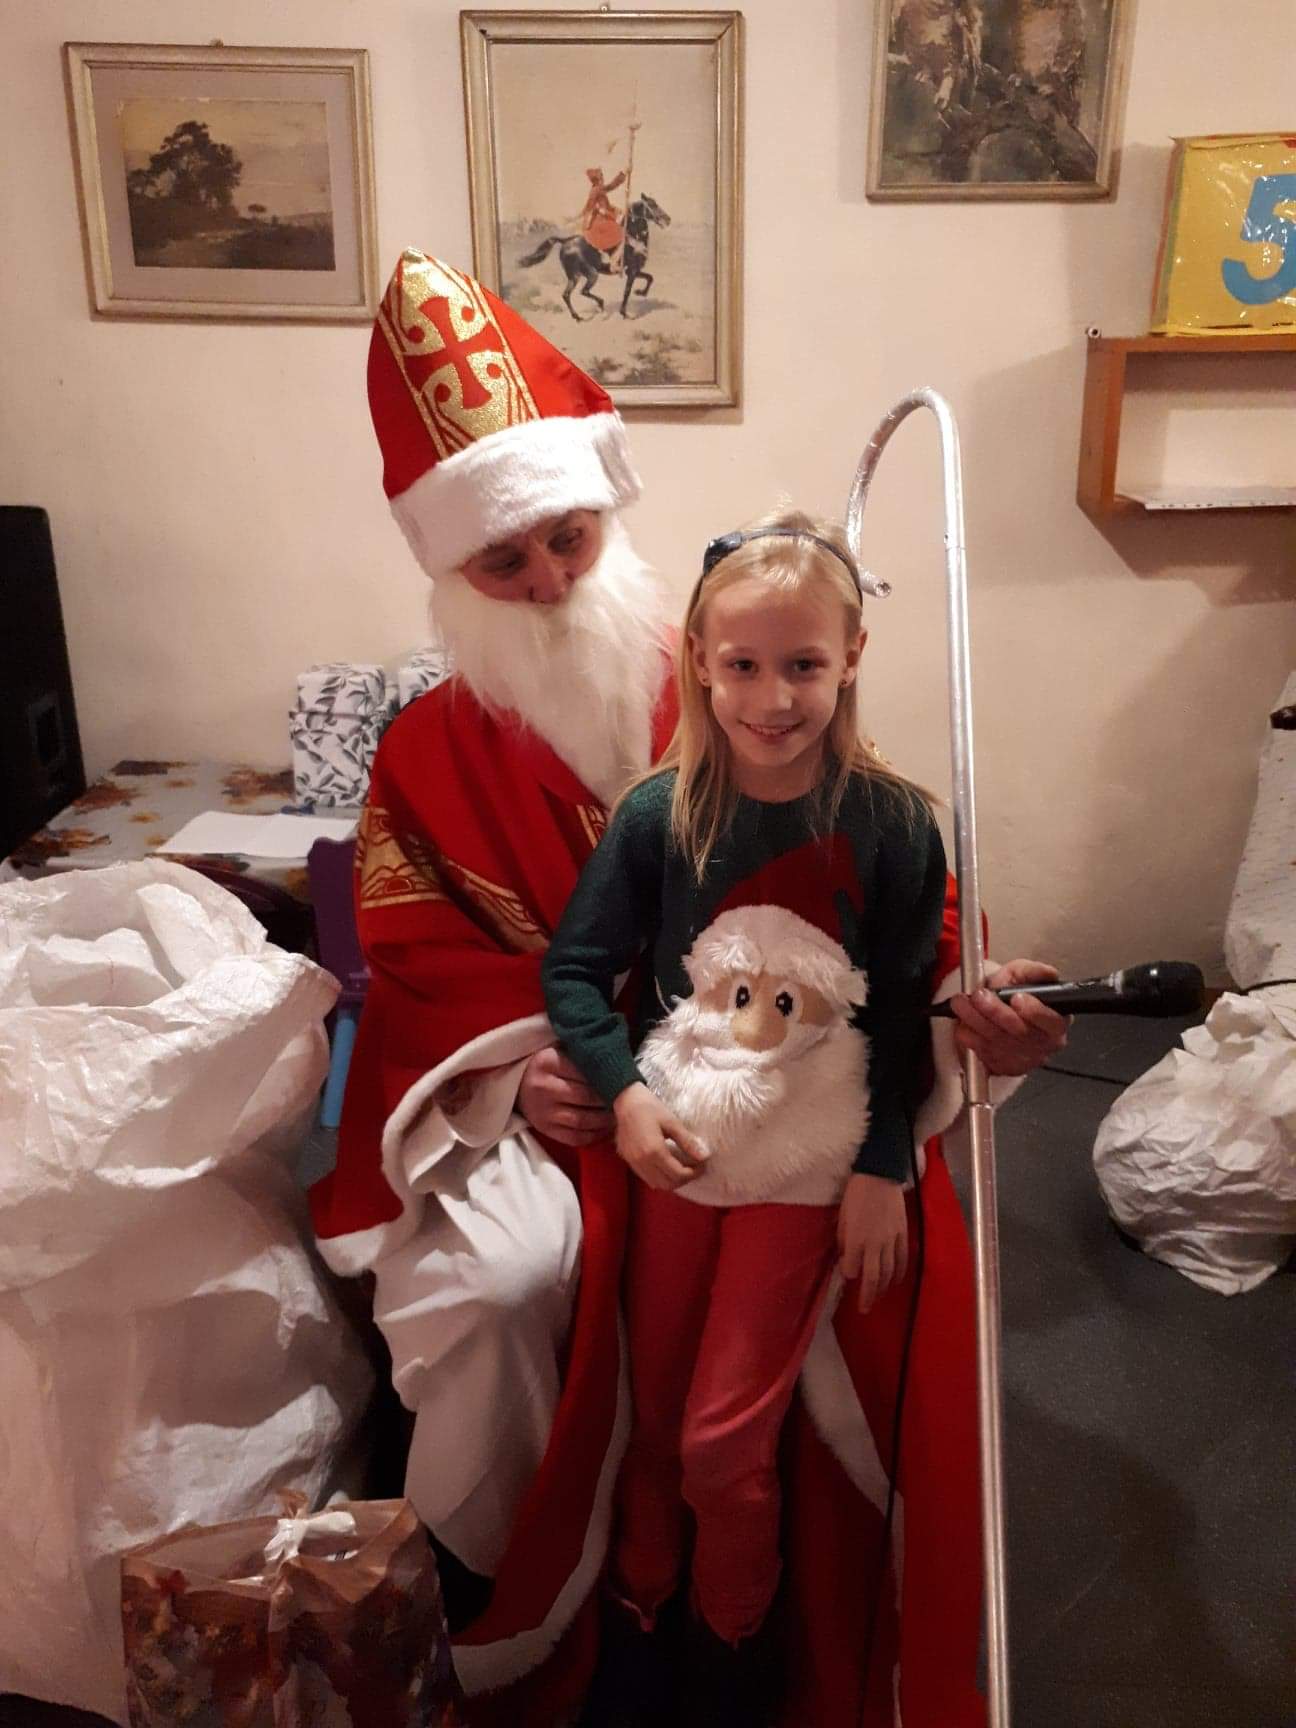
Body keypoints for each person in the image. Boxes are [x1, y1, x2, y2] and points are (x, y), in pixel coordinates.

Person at [310, 248, 1068, 1727]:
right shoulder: (423, 753)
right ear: (448, 572)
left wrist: (972, 1001)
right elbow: (413, 966)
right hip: (565, 1101)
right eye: (503, 562)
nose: (547, 582)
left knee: (881, 1285)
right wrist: (512, 1066)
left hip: (787, 1089)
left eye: (568, 538)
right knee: (511, 1289)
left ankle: (791, 1619)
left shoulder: (735, 668)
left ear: (610, 512)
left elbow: (884, 898)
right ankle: (564, 1587)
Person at [540, 512, 974, 1721]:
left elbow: (902, 1005)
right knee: (651, 1419)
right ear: (698, 658)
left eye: (803, 666)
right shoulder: (656, 816)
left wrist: (882, 1166)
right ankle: (644, 1625)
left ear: (852, 659)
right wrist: (626, 1096)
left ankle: (733, 1653)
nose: (774, 698)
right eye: (742, 665)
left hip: (805, 1169)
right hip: (680, 1153)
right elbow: (575, 970)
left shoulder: (895, 823)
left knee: (723, 1440)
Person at [577, 165, 626, 253]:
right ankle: (612, 254)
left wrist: (623, 174)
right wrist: (602, 210)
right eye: (601, 177)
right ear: (597, 180)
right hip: (598, 222)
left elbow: (612, 186)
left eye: (602, 176)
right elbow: (589, 206)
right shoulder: (595, 190)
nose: (603, 179)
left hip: (604, 216)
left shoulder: (600, 188)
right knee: (618, 230)